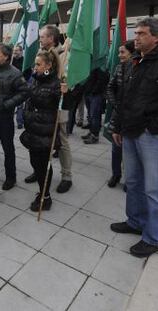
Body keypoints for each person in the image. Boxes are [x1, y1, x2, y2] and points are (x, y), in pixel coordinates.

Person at [110, 18, 158, 258]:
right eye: (135, 32)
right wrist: (117, 126)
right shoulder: (134, 62)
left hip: (151, 135)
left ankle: (153, 237)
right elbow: (123, 98)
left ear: (155, 37)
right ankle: (135, 221)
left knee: (153, 188)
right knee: (134, 182)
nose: (135, 37)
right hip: (128, 131)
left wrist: (152, 126)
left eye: (141, 33)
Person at [26, 25, 73, 194]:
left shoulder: (64, 53)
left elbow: (70, 80)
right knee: (40, 142)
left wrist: (64, 88)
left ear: (52, 38)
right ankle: (40, 172)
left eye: (43, 36)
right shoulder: (40, 54)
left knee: (60, 138)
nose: (40, 39)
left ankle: (66, 176)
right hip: (42, 105)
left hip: (58, 104)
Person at [0, 43, 30, 190]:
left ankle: (11, 177)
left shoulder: (15, 73)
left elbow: (24, 92)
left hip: (4, 117)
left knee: (8, 148)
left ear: (6, 56)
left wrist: (6, 104)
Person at [20, 49, 61, 211]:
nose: (34, 67)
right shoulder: (36, 80)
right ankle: (42, 189)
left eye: (38, 64)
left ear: (48, 65)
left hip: (45, 131)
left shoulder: (56, 83)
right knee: (35, 163)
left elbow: (66, 104)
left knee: (43, 166)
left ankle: (45, 197)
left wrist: (67, 92)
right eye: (35, 64)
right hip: (33, 129)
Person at [105, 40, 135, 187]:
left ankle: (130, 180)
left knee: (130, 150)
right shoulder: (118, 68)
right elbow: (110, 87)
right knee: (116, 147)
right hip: (118, 113)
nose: (119, 55)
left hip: (133, 116)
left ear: (132, 53)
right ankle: (115, 174)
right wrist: (115, 103)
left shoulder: (138, 68)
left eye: (122, 52)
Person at [81, 68, 109, 144]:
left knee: (95, 116)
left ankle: (95, 136)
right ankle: (91, 132)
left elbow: (102, 80)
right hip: (89, 92)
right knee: (91, 115)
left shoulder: (101, 65)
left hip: (95, 94)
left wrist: (94, 91)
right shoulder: (91, 64)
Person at [12, 44, 25, 129]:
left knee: (20, 104)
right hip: (12, 84)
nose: (15, 52)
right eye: (14, 51)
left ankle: (19, 121)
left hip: (21, 84)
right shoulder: (11, 61)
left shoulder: (24, 61)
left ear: (21, 51)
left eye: (16, 50)